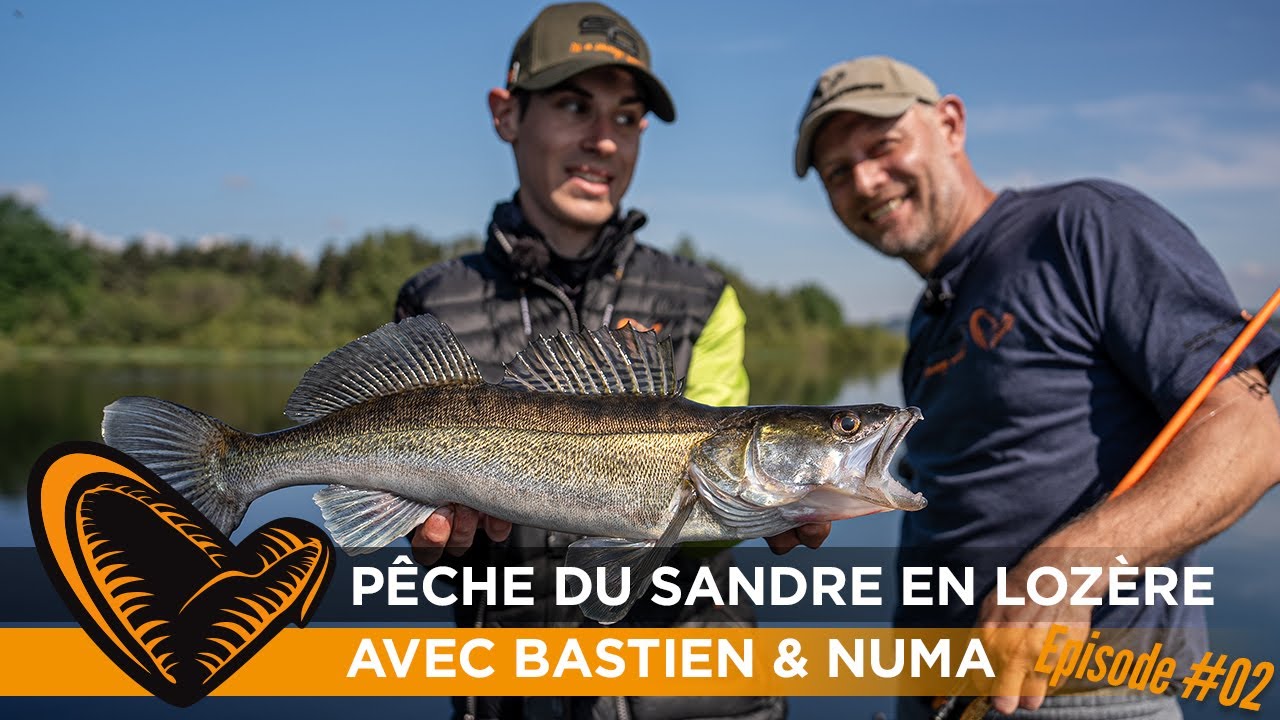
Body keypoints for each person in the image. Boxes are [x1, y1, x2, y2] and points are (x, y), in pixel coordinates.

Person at [793, 55, 1280, 719]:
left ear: (952, 124)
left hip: (1084, 695)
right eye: (838, 173)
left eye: (883, 146)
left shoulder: (1086, 226)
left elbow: (1252, 435)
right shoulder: (928, 320)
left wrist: (1072, 565)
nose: (867, 180)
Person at [395, 4, 819, 718]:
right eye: (572, 105)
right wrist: (407, 515)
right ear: (506, 115)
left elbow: (716, 482)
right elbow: (421, 532)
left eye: (626, 118)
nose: (602, 141)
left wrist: (755, 507)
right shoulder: (432, 303)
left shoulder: (703, 298)